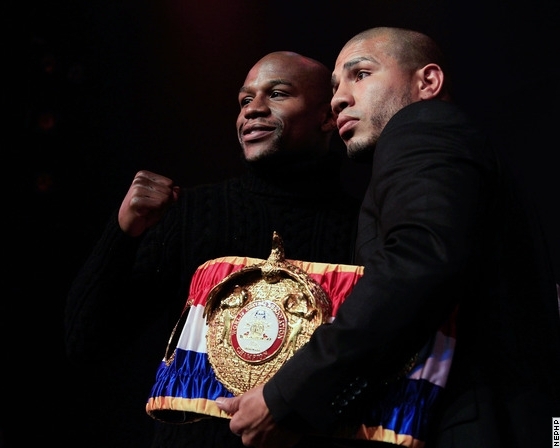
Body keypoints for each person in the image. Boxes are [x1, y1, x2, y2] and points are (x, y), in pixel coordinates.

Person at [216, 27, 560, 448]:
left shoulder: (422, 126)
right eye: (335, 87)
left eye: (360, 74)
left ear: (428, 82)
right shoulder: (463, 151)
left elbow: (416, 263)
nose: (339, 99)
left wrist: (287, 395)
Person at [64, 51, 364, 448]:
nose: (252, 109)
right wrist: (122, 232)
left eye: (277, 94)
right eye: (245, 100)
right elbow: (87, 340)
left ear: (327, 116)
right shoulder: (190, 213)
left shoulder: (364, 225)